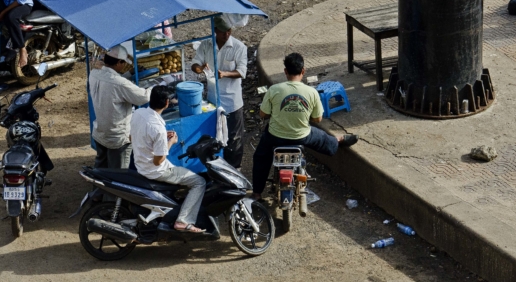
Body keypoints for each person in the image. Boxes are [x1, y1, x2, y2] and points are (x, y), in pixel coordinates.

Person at [251, 52, 359, 199]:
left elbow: (263, 114)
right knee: (324, 138)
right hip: (302, 137)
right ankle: (338, 140)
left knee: (260, 157)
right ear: (303, 71)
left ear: (285, 71)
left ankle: (257, 193)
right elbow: (318, 119)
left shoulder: (274, 89)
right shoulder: (311, 92)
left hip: (275, 136)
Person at [130, 86, 206, 233]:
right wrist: (170, 142)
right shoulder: (157, 128)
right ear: (166, 103)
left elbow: (131, 137)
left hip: (140, 165)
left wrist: (160, 136)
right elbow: (157, 161)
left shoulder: (138, 113)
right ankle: (183, 221)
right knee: (199, 182)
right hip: (155, 170)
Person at [191, 16, 247, 169]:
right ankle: (217, 168)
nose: (226, 34)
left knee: (234, 138)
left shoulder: (239, 47)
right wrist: (199, 68)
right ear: (215, 30)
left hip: (232, 101)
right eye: (223, 32)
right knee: (215, 137)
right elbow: (195, 63)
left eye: (229, 31)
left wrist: (225, 73)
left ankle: (235, 168)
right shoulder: (206, 45)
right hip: (213, 100)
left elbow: (242, 71)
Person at [89, 45, 151, 169]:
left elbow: (112, 83)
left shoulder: (94, 74)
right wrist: (153, 88)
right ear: (118, 62)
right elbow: (143, 97)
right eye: (123, 63)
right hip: (117, 138)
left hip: (100, 132)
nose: (123, 66)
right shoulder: (120, 83)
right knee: (118, 174)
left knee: (101, 169)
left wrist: (129, 73)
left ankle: (97, 182)